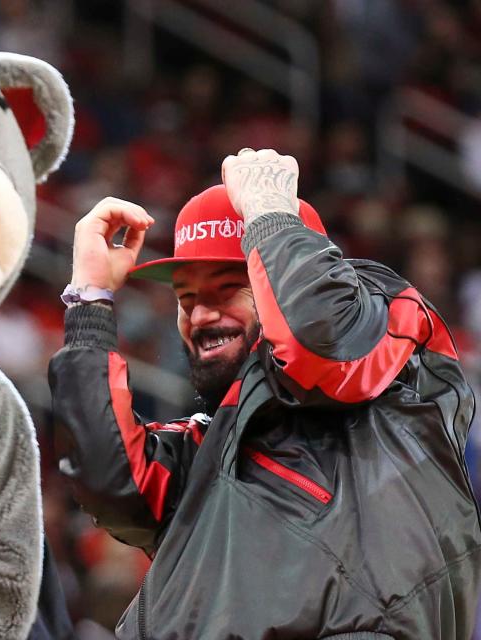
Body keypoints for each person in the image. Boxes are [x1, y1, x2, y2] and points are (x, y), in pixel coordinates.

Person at [50, 148, 481, 638]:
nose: (201, 316)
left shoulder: (386, 342)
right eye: (187, 298)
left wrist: (270, 214)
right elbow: (108, 479)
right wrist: (89, 299)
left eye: (227, 288)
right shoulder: (214, 448)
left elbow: (321, 341)